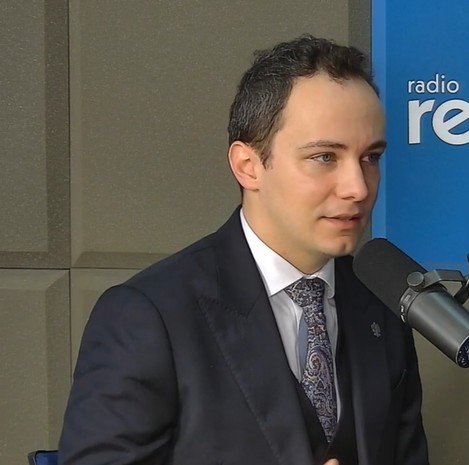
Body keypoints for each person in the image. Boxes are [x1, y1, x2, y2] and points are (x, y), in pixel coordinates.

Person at [59, 35, 429, 465]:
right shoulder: (146, 316)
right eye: (325, 157)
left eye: (371, 157)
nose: (358, 188)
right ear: (248, 166)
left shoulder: (381, 304)